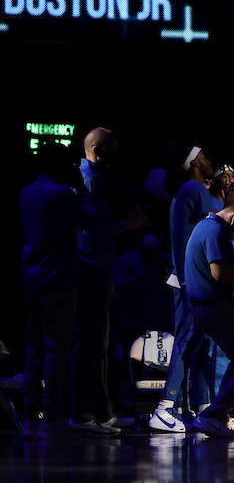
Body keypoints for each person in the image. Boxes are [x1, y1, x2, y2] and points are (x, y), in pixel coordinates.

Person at [21, 144, 138, 439]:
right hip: (59, 278)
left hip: (31, 278)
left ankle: (30, 417)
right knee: (58, 350)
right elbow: (93, 229)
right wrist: (127, 224)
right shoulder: (62, 194)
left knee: (34, 349)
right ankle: (51, 418)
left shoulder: (26, 192)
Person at [73, 127, 149, 434]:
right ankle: (85, 414)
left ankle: (100, 412)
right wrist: (126, 225)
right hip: (89, 273)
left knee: (98, 345)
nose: (115, 159)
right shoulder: (87, 181)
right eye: (111, 152)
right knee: (90, 344)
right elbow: (91, 230)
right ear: (96, 150)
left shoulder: (96, 180)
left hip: (98, 273)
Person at [182, 199, 234, 438]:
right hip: (213, 308)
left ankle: (217, 416)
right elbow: (219, 273)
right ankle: (212, 415)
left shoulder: (204, 226)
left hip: (208, 308)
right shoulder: (216, 230)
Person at [151, 144, 222, 432]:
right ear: (193, 163)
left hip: (191, 278)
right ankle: (164, 408)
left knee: (198, 345)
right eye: (204, 157)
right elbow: (220, 226)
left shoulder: (190, 191)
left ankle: (192, 406)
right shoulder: (194, 189)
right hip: (192, 280)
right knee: (187, 342)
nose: (209, 160)